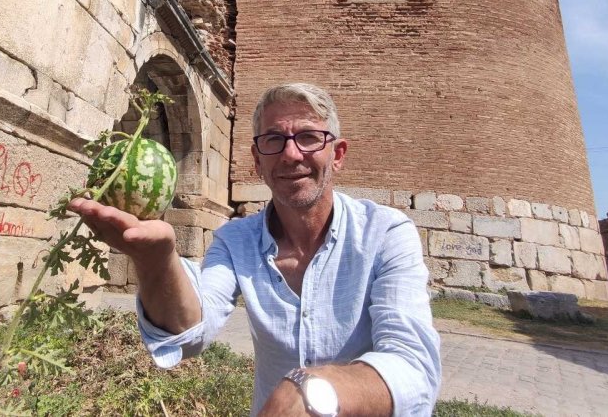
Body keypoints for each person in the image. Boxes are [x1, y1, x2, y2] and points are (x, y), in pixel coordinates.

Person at [70, 82, 441, 416]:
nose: (291, 154)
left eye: (309, 137)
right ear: (257, 160)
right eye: (273, 140)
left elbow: (413, 367)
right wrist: (157, 258)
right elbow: (192, 330)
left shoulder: (387, 233)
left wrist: (312, 392)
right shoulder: (236, 241)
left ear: (338, 155)